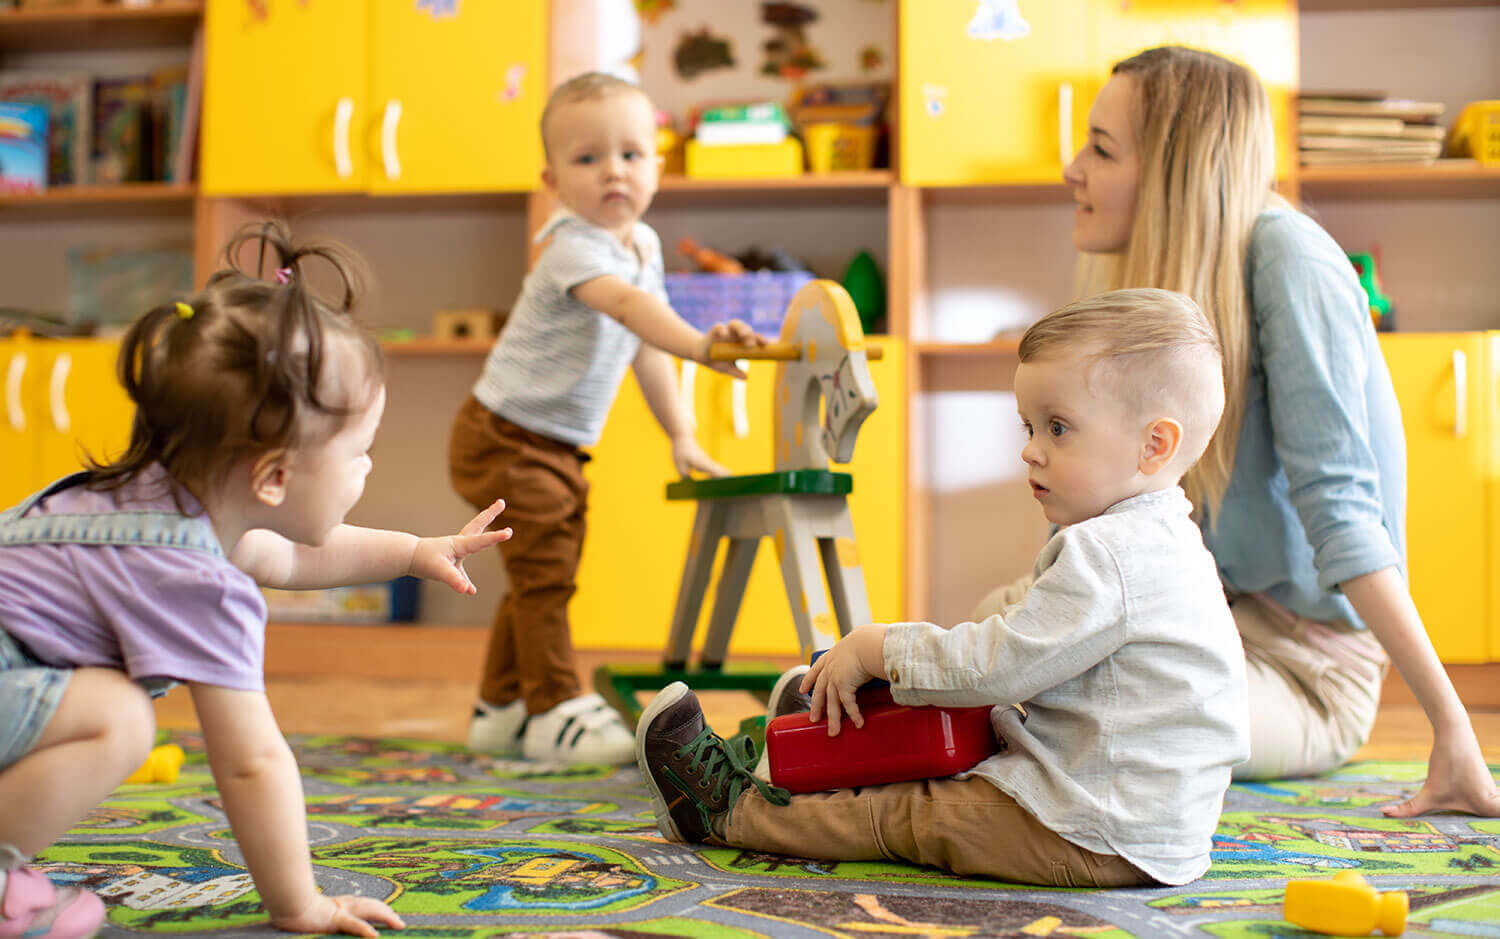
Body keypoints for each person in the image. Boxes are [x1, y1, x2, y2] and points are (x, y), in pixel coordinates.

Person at [1020, 44, 1498, 817]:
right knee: (1000, 640)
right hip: (1213, 624)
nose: (1073, 169)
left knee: (1091, 710)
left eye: (1101, 150)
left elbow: (1343, 512)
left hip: (1312, 670)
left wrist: (1453, 726)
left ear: (1175, 170)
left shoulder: (1289, 259)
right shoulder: (1172, 286)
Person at [634, 288, 1250, 887]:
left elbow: (998, 665)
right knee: (964, 730)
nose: (1031, 452)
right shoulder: (1167, 540)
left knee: (911, 812)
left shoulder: (1107, 553)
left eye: (1058, 428)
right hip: (1135, 820)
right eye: (1029, 427)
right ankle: (822, 735)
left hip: (1089, 828)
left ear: (1154, 445)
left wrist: (880, 649)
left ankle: (725, 812)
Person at [0, 222, 511, 938]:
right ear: (272, 477)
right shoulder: (193, 577)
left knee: (99, 707)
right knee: (120, 718)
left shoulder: (162, 503)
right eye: (359, 453)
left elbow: (294, 557)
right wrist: (301, 904)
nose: (367, 467)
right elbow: (251, 762)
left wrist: (413, 551)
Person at [450, 71, 766, 764]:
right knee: (546, 573)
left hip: (553, 444)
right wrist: (701, 344)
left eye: (630, 154)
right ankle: (555, 703)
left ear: (657, 165)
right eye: (588, 158)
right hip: (505, 435)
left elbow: (643, 343)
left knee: (540, 571)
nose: (613, 171)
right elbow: (629, 309)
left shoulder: (643, 245)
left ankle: (500, 706)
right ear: (553, 180)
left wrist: (682, 433)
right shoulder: (572, 244)